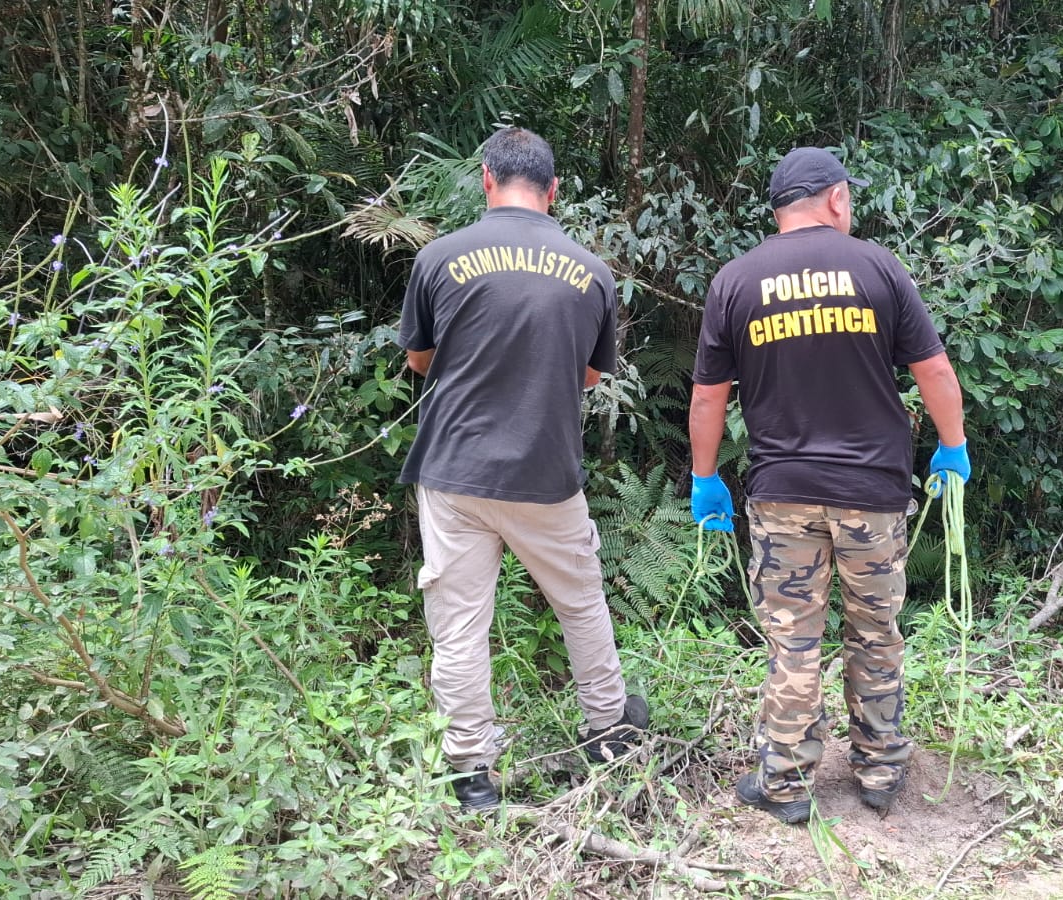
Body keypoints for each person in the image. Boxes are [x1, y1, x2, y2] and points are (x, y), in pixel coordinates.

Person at [688, 146, 969, 824]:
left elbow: (707, 397)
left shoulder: (736, 280)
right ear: (837, 198)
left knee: (793, 639)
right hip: (872, 493)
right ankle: (880, 770)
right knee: (876, 632)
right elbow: (933, 371)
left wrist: (705, 477)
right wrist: (953, 445)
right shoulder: (878, 267)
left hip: (782, 491)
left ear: (779, 209)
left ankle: (785, 784)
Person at [397, 126, 648, 813]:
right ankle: (607, 731)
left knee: (459, 624)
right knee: (580, 602)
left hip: (454, 470)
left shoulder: (438, 258)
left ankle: (471, 771)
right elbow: (590, 375)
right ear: (553, 190)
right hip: (546, 472)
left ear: (486, 179)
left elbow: (419, 361)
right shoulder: (591, 271)